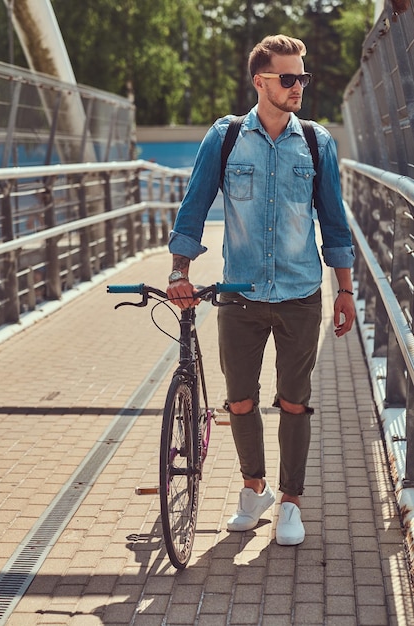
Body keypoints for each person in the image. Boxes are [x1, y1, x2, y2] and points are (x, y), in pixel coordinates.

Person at [166, 34, 355, 545]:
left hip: (299, 295)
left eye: (302, 78)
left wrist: (345, 290)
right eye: (288, 78)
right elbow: (195, 205)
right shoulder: (225, 138)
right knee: (240, 401)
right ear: (260, 81)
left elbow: (335, 222)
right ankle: (255, 490)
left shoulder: (316, 141)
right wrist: (179, 272)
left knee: (294, 402)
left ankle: (291, 502)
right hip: (239, 295)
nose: (298, 87)